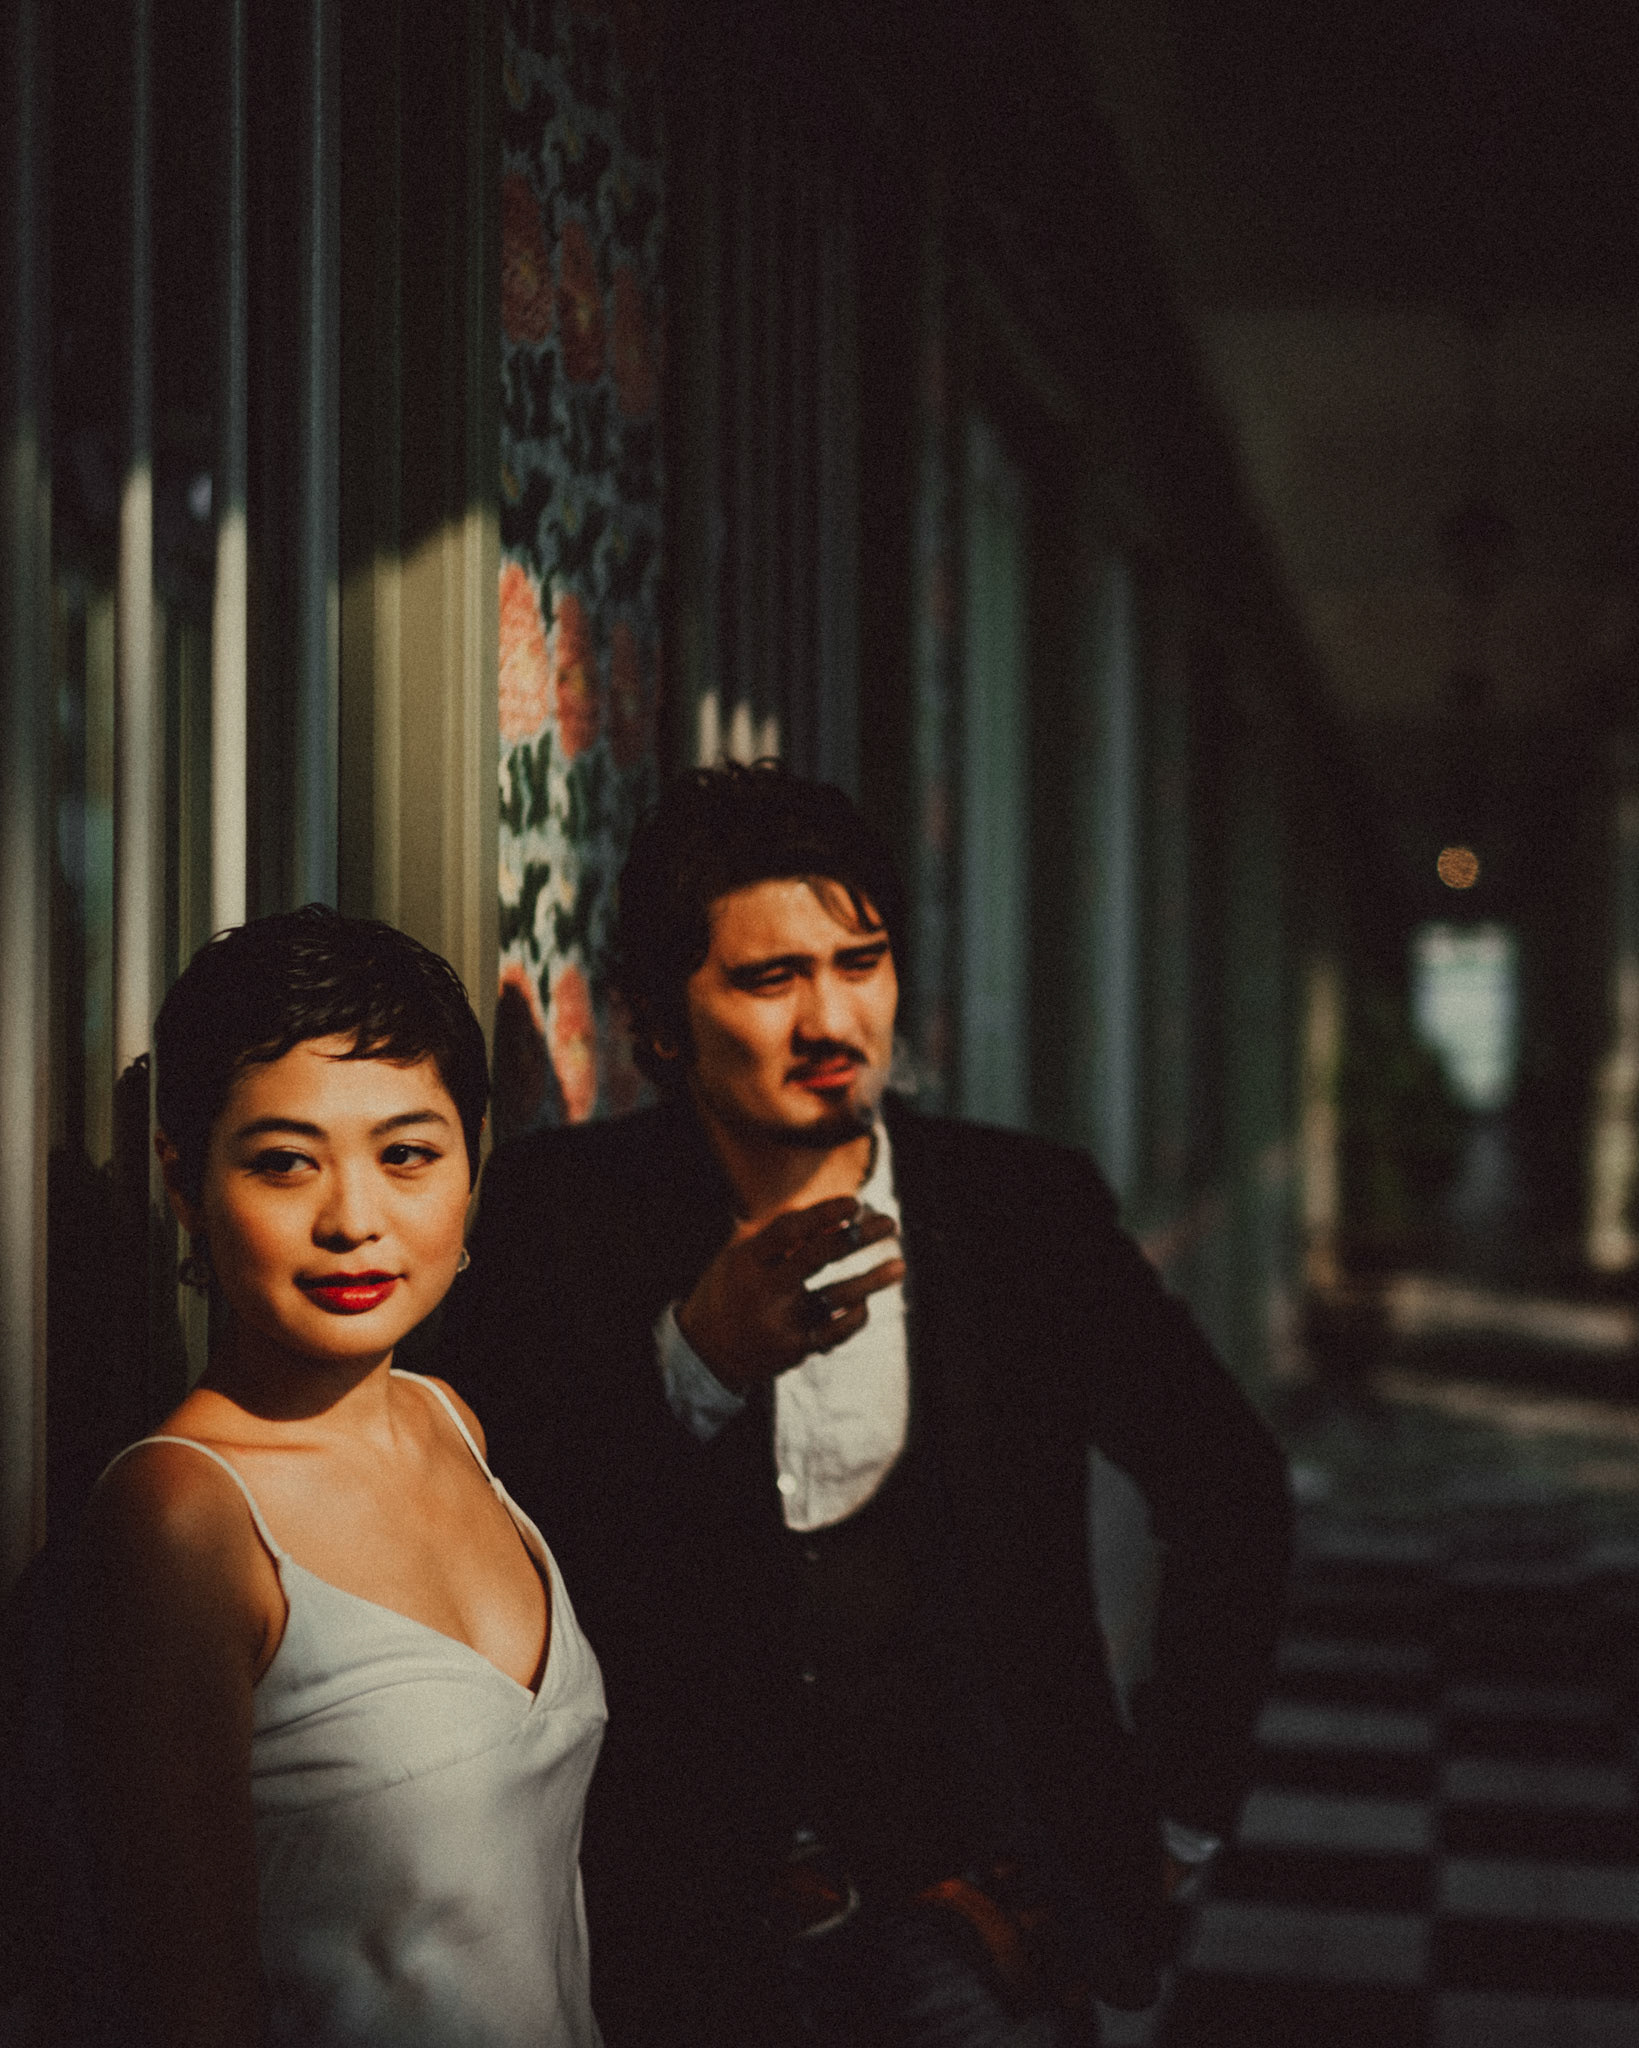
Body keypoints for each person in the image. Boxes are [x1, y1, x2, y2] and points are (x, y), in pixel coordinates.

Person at [447, 762, 1293, 2048]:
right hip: (665, 1927)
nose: (831, 1015)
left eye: (862, 960)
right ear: (658, 1023)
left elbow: (1230, 1486)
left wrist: (1172, 1810)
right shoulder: (561, 1215)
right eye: (768, 977)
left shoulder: (1022, 1211)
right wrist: (693, 1362)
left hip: (975, 1909)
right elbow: (490, 1541)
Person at [65, 906, 606, 2048]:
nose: (354, 1218)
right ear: (185, 1183)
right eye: (282, 1162)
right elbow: (186, 2008)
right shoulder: (183, 1516)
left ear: (473, 1165)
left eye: (408, 1152)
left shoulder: (448, 1420)